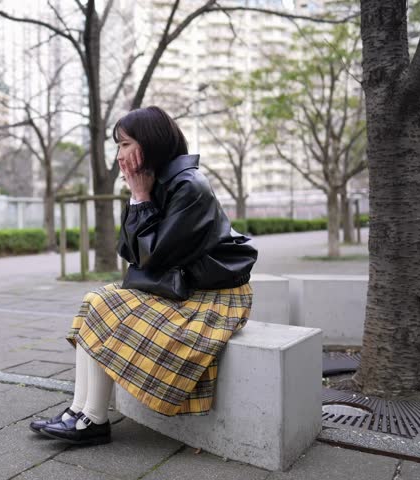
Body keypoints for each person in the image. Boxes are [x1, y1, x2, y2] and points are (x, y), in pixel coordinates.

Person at [30, 106, 258, 445]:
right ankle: (80, 411)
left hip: (215, 298)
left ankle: (92, 420)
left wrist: (139, 197)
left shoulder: (189, 186)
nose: (120, 155)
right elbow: (129, 249)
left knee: (104, 302)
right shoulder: (158, 182)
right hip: (184, 285)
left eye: (124, 145)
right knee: (96, 300)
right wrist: (140, 198)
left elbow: (150, 256)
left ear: (149, 144)